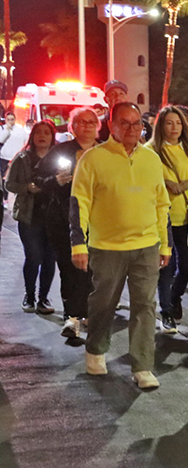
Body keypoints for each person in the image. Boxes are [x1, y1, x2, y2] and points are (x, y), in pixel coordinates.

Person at [70, 102, 171, 389]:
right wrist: (79, 244)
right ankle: (96, 350)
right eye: (124, 123)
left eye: (136, 123)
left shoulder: (151, 159)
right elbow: (79, 204)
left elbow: (162, 204)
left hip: (147, 244)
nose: (131, 129)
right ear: (111, 126)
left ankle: (142, 366)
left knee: (145, 306)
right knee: (103, 303)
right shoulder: (92, 159)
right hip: (106, 247)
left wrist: (165, 245)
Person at [34, 108, 99, 338]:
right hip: (63, 219)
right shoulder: (60, 151)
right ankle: (72, 317)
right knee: (69, 268)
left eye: (92, 122)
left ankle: (89, 312)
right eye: (81, 122)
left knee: (93, 269)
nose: (87, 126)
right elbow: (38, 179)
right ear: (72, 127)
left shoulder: (105, 151)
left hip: (98, 220)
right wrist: (56, 181)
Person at [146, 106, 188, 333]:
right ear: (160, 125)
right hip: (163, 216)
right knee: (166, 267)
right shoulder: (150, 150)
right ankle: (166, 311)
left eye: (178, 123)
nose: (174, 127)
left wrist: (187, 184)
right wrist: (167, 183)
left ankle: (175, 297)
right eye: (169, 123)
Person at [6, 121, 58, 314]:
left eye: (46, 133)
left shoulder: (58, 158)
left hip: (53, 217)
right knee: (34, 256)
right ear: (32, 136)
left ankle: (44, 298)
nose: (42, 136)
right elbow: (9, 184)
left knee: (49, 258)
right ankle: (29, 295)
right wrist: (26, 188)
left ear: (53, 136)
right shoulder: (22, 158)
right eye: (38, 133)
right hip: (29, 216)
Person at [0, 111, 29, 206]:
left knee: (18, 178)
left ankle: (18, 198)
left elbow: (26, 140)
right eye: (8, 119)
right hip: (4, 158)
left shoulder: (20, 130)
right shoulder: (2, 129)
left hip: (16, 158)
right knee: (5, 179)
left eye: (12, 119)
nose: (10, 121)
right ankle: (5, 198)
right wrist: (6, 130)